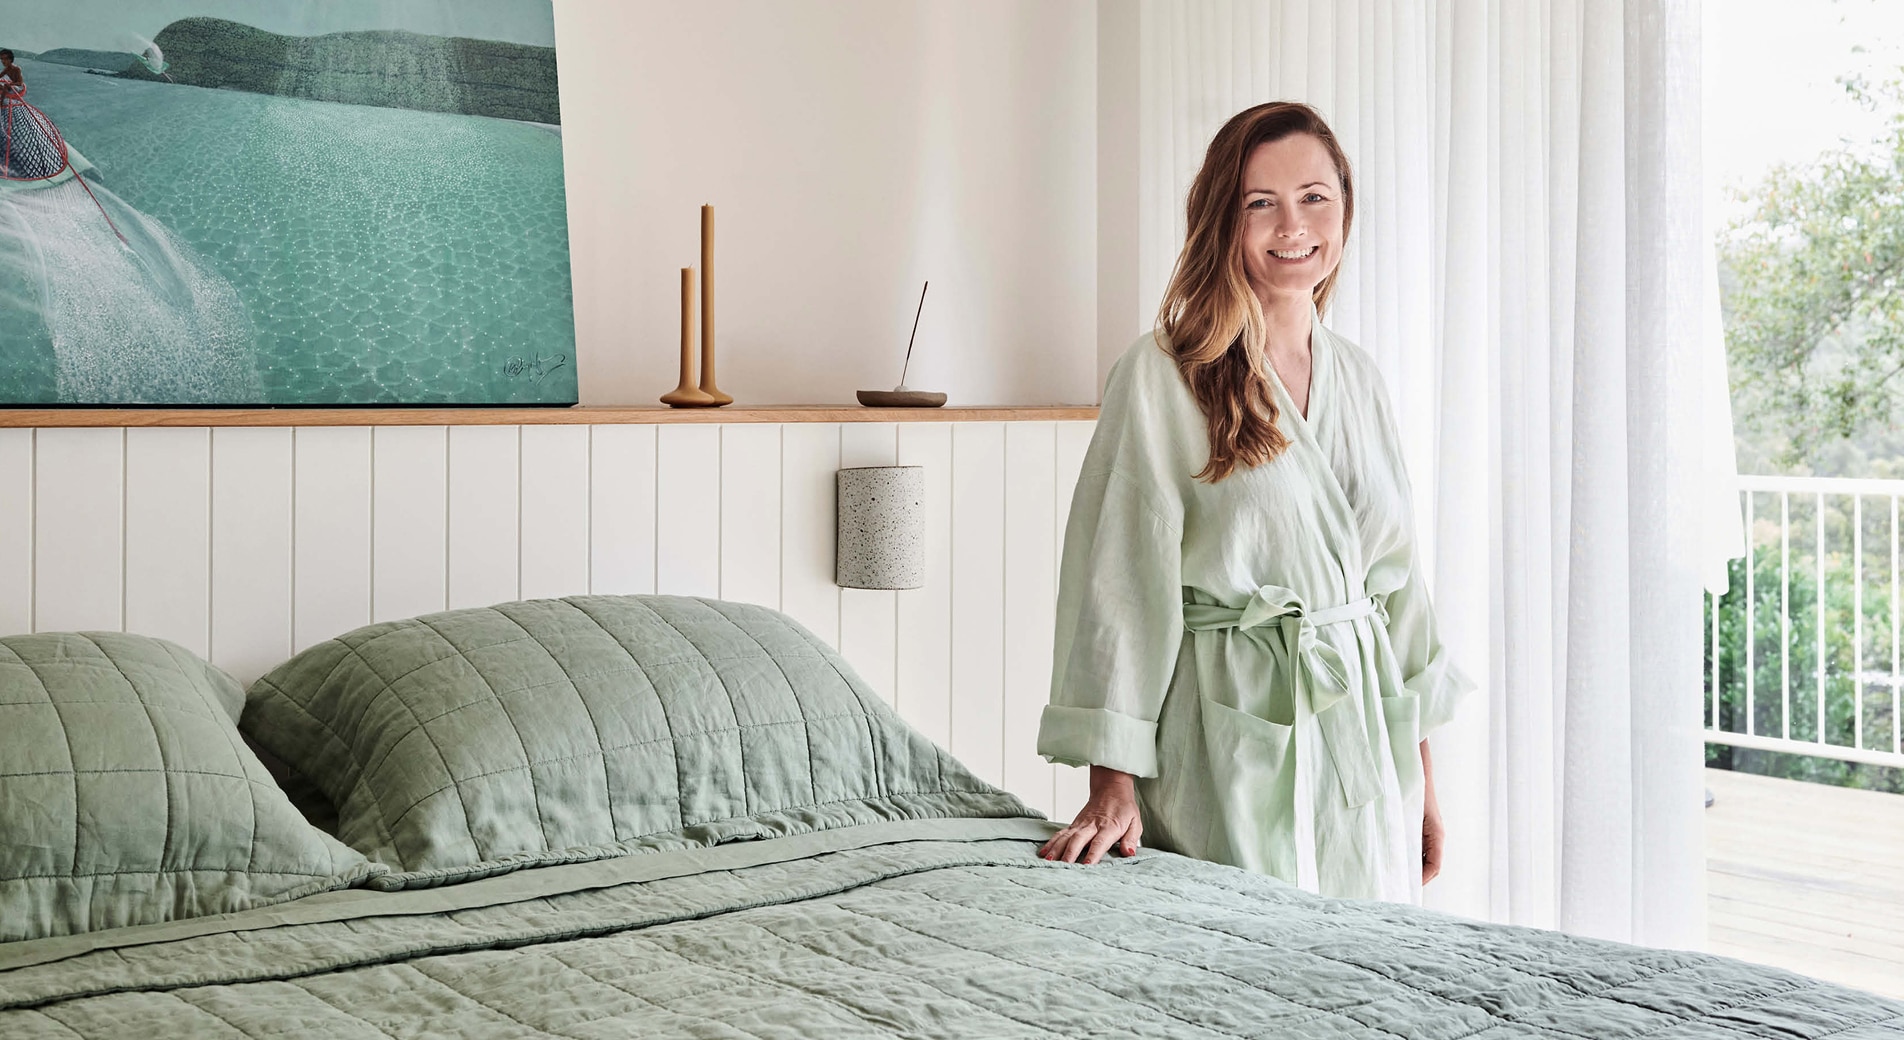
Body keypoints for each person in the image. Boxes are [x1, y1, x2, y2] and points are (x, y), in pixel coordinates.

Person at [1034, 101, 1472, 905]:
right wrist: (1112, 783)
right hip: (1228, 726)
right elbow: (1121, 583)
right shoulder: (1164, 372)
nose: (1292, 224)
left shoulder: (1361, 379)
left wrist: (1424, 779)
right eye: (1259, 202)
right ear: (1221, 221)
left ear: (1344, 209)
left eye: (1315, 197)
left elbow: (1398, 593)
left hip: (1366, 746)